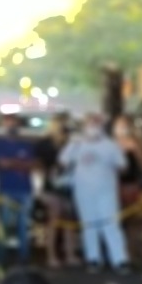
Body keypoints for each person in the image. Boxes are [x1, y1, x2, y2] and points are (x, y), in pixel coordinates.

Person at [60, 113, 130, 274]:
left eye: (95, 123)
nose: (92, 127)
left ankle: (120, 260)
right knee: (89, 226)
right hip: (83, 192)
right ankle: (93, 259)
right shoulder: (76, 144)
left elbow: (123, 166)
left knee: (110, 224)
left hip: (106, 192)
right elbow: (63, 161)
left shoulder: (110, 145)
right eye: (89, 123)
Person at [0, 113, 37, 264]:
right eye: (8, 123)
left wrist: (12, 163)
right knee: (4, 223)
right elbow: (2, 164)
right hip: (6, 189)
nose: (11, 126)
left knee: (24, 226)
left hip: (25, 190)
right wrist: (20, 164)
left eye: (14, 123)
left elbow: (32, 165)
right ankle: (1, 257)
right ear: (4, 125)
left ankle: (24, 257)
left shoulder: (26, 145)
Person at [36, 114, 80, 269]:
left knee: (69, 222)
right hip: (51, 187)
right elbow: (43, 165)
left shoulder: (71, 144)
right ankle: (51, 255)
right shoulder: (46, 144)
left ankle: (70, 254)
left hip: (68, 187)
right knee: (54, 220)